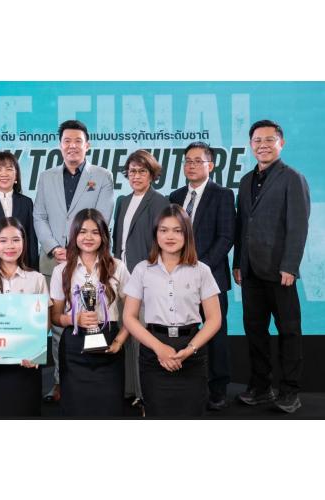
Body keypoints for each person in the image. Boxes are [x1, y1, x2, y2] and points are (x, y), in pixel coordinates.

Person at [33, 119, 114, 402]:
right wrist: (55, 247)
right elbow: (39, 216)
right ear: (60, 145)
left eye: (78, 141)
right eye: (67, 141)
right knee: (58, 324)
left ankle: (87, 379)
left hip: (89, 259)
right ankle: (59, 381)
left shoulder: (102, 176)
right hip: (53, 260)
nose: (72, 146)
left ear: (87, 145)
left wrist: (76, 250)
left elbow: (101, 218)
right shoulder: (47, 177)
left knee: (92, 317)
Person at [233, 119, 310, 413]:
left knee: (289, 332)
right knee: (255, 331)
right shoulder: (245, 181)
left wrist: (290, 266)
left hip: (280, 271)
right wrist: (238, 263)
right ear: (251, 145)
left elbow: (298, 226)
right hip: (250, 271)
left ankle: (290, 391)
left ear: (281, 143)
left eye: (269, 140)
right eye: (257, 140)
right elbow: (242, 225)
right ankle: (261, 387)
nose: (262, 145)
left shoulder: (292, 178)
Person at [123, 204, 221, 417]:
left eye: (177, 230)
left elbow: (214, 319)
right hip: (153, 351)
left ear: (187, 235)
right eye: (164, 230)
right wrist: (159, 348)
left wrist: (190, 349)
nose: (170, 236)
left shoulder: (201, 270)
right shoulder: (142, 269)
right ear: (155, 234)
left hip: (192, 352)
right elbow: (129, 317)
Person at [169, 142, 235, 411]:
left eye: (198, 161)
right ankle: (187, 385)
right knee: (183, 332)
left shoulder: (223, 195)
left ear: (211, 165)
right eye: (188, 161)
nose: (191, 165)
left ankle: (218, 390)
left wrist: (200, 270)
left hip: (211, 279)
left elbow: (226, 237)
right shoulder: (175, 195)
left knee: (215, 335)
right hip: (177, 279)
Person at [50, 208, 130, 417]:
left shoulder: (117, 267)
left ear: (103, 236)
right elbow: (55, 317)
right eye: (83, 231)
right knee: (75, 409)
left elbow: (133, 312)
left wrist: (119, 341)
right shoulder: (61, 270)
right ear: (74, 234)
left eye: (95, 232)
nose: (88, 237)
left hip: (109, 344)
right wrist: (74, 319)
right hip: (74, 346)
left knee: (109, 409)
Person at [0, 217, 50, 417]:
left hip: (26, 365)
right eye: (3, 240)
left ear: (24, 242)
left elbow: (45, 322)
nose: (10, 246)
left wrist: (35, 350)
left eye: (16, 240)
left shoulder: (36, 279)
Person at [113, 149, 168, 409]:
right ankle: (130, 389)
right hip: (120, 277)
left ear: (152, 174)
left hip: (145, 278)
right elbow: (118, 240)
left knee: (142, 336)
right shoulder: (122, 201)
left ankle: (145, 393)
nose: (136, 176)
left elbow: (161, 242)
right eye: (132, 171)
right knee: (124, 333)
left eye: (142, 171)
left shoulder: (159, 202)